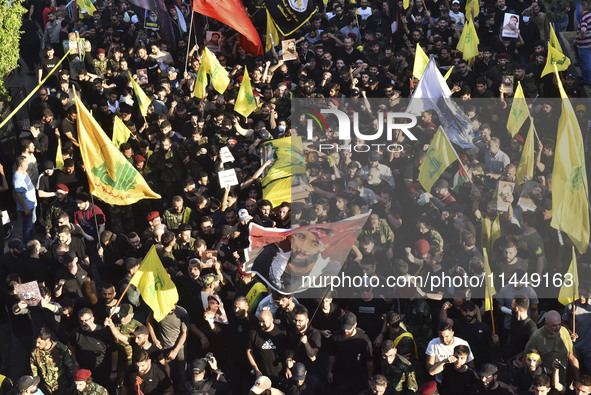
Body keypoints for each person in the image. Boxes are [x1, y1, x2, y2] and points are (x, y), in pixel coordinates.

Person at [250, 226, 341, 294]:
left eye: (315, 244)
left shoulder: (330, 269)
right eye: (301, 237)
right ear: (293, 237)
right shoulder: (269, 255)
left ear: (324, 247)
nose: (303, 248)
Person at [30, 327, 75, 394]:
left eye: (39, 342)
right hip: (46, 388)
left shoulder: (61, 348)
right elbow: (34, 371)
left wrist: (72, 384)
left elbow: (70, 367)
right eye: (36, 342)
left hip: (62, 386)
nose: (37, 345)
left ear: (47, 340)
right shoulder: (35, 353)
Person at [13, 155, 37, 243]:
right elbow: (18, 195)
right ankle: (28, 244)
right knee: (28, 227)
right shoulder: (18, 178)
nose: (28, 164)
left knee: (31, 224)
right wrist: (26, 208)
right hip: (27, 207)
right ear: (21, 165)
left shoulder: (23, 172)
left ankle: (33, 241)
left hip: (31, 205)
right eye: (26, 163)